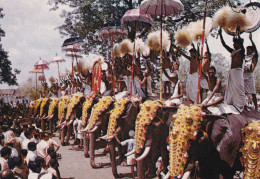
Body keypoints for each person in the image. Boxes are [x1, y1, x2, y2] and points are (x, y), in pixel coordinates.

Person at [219, 28, 247, 112]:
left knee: (239, 87)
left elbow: (241, 44)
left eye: (235, 43)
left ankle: (241, 104)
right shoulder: (233, 51)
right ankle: (231, 103)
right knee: (231, 88)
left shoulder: (242, 51)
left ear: (239, 44)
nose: (234, 44)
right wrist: (220, 35)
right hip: (232, 72)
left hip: (238, 71)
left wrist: (237, 34)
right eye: (233, 43)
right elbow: (224, 45)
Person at [244, 33, 258, 111]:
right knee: (243, 92)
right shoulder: (245, 57)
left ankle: (256, 107)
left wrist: (251, 40)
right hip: (244, 75)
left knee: (253, 92)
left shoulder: (254, 56)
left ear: (252, 51)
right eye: (246, 50)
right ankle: (245, 107)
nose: (247, 51)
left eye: (248, 50)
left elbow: (255, 50)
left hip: (250, 75)